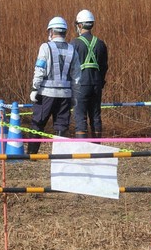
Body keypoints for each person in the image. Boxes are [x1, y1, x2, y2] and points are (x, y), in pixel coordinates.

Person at [28, 16, 81, 154]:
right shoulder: (72, 49)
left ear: (51, 31)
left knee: (37, 123)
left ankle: (32, 154)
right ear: (64, 32)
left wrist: (35, 88)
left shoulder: (45, 47)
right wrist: (74, 95)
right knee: (61, 125)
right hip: (65, 95)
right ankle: (60, 156)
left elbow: (40, 69)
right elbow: (77, 76)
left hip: (46, 94)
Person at [71, 9, 109, 138]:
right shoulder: (100, 44)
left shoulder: (75, 43)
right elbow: (104, 66)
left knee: (80, 116)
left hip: (81, 84)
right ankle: (97, 147)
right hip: (96, 84)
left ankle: (82, 149)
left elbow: (70, 66)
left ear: (80, 25)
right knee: (95, 115)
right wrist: (101, 81)